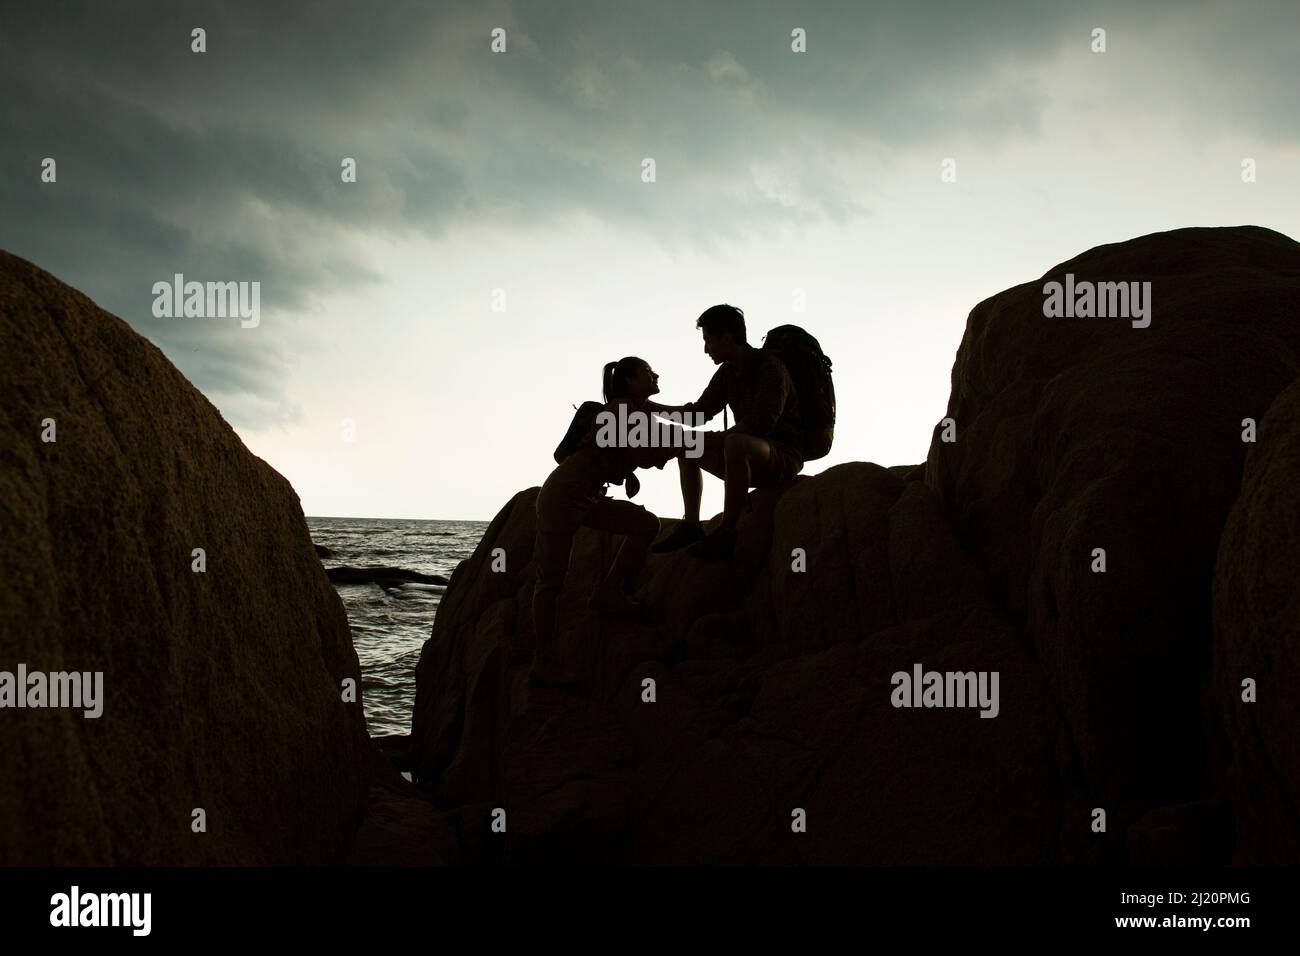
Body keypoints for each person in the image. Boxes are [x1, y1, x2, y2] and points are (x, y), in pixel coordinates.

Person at [531, 357, 667, 686]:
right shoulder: (622, 410)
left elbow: (633, 444)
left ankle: (607, 592)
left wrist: (632, 469)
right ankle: (544, 665)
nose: (656, 375)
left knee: (646, 524)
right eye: (649, 373)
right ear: (632, 382)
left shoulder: (631, 410)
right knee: (551, 581)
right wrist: (676, 449)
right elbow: (644, 451)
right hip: (564, 494)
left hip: (587, 496)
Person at [646, 304, 803, 563]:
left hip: (782, 455)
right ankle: (692, 526)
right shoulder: (727, 373)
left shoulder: (770, 368)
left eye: (709, 340)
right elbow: (698, 414)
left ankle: (728, 534)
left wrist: (713, 439)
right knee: (687, 445)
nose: (706, 349)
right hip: (748, 455)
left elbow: (761, 424)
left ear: (727, 338)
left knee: (735, 442)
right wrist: (651, 409)